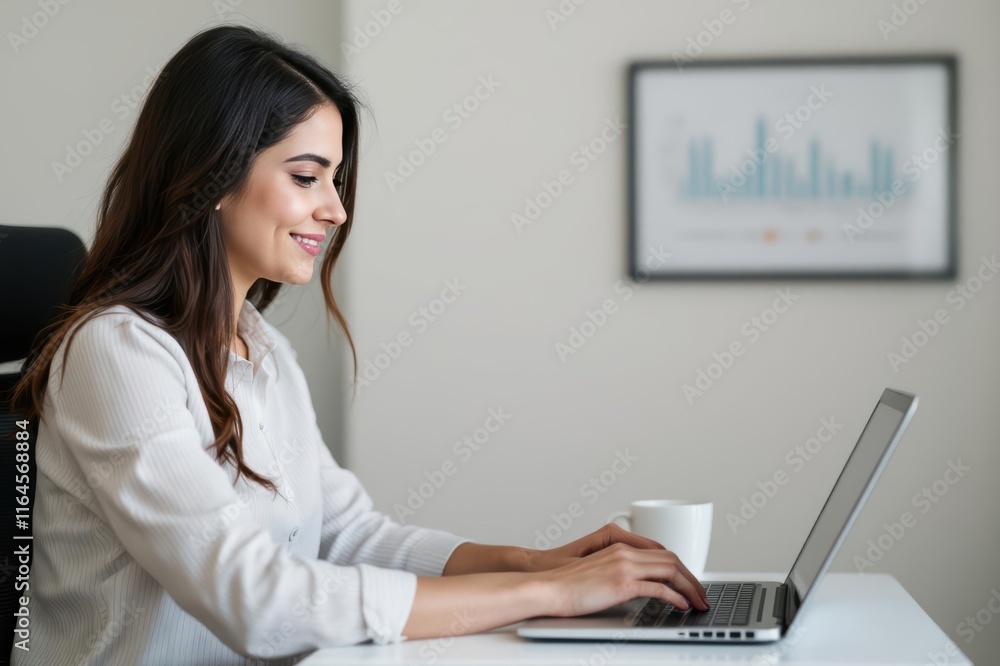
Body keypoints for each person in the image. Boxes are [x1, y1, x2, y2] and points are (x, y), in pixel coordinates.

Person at [9, 24, 708, 666]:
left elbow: (350, 536)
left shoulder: (262, 352)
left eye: (335, 180)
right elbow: (255, 602)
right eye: (306, 176)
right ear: (213, 175)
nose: (336, 209)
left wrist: (538, 565)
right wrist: (550, 598)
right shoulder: (113, 355)